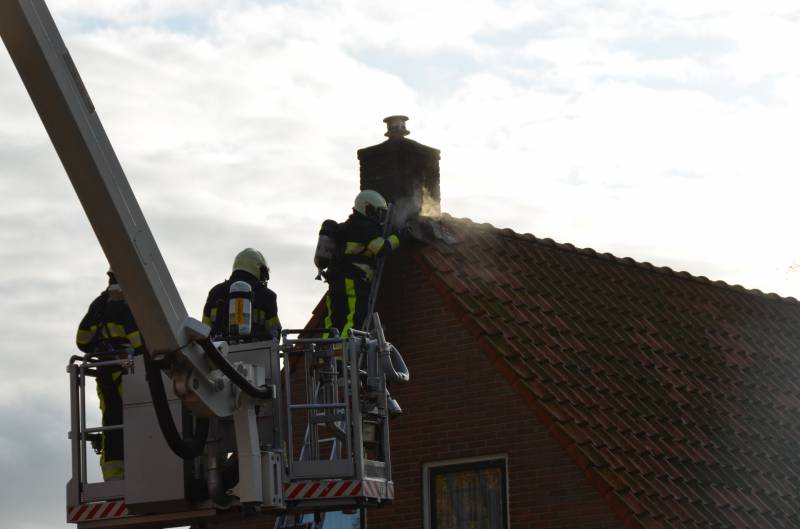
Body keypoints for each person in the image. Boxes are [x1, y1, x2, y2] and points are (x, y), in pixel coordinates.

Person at [76, 270, 142, 481]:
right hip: (130, 372)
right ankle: (140, 469)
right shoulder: (128, 302)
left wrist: (103, 346)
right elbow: (140, 342)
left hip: (105, 373)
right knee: (139, 417)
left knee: (111, 422)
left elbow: (82, 341)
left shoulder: (99, 304)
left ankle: (114, 477)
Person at [323, 190, 402, 337]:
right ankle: (344, 356)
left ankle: (327, 354)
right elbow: (381, 248)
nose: (379, 217)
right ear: (367, 208)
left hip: (336, 280)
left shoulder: (348, 226)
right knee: (355, 317)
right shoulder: (364, 227)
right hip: (353, 281)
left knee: (334, 320)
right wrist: (399, 236)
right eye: (377, 212)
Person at [202, 248, 281, 341]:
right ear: (259, 270)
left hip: (217, 353)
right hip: (257, 353)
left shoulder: (215, 292)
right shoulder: (268, 296)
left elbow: (203, 330)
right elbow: (275, 334)